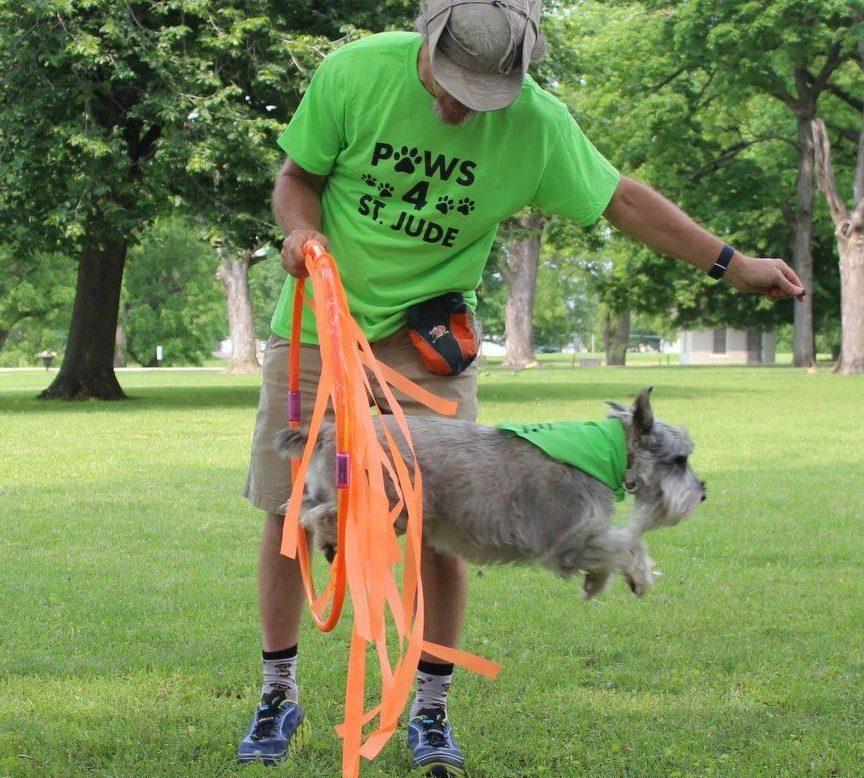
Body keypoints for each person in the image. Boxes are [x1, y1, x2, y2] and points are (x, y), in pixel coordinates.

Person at [237, 1, 806, 774]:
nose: (455, 105)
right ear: (428, 40)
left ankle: (430, 711)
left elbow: (622, 200)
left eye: (479, 94)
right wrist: (301, 233)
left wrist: (731, 263)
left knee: (445, 522)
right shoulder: (354, 73)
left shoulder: (538, 125)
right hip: (316, 325)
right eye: (448, 83)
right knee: (288, 514)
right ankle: (278, 692)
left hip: (425, 346)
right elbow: (297, 179)